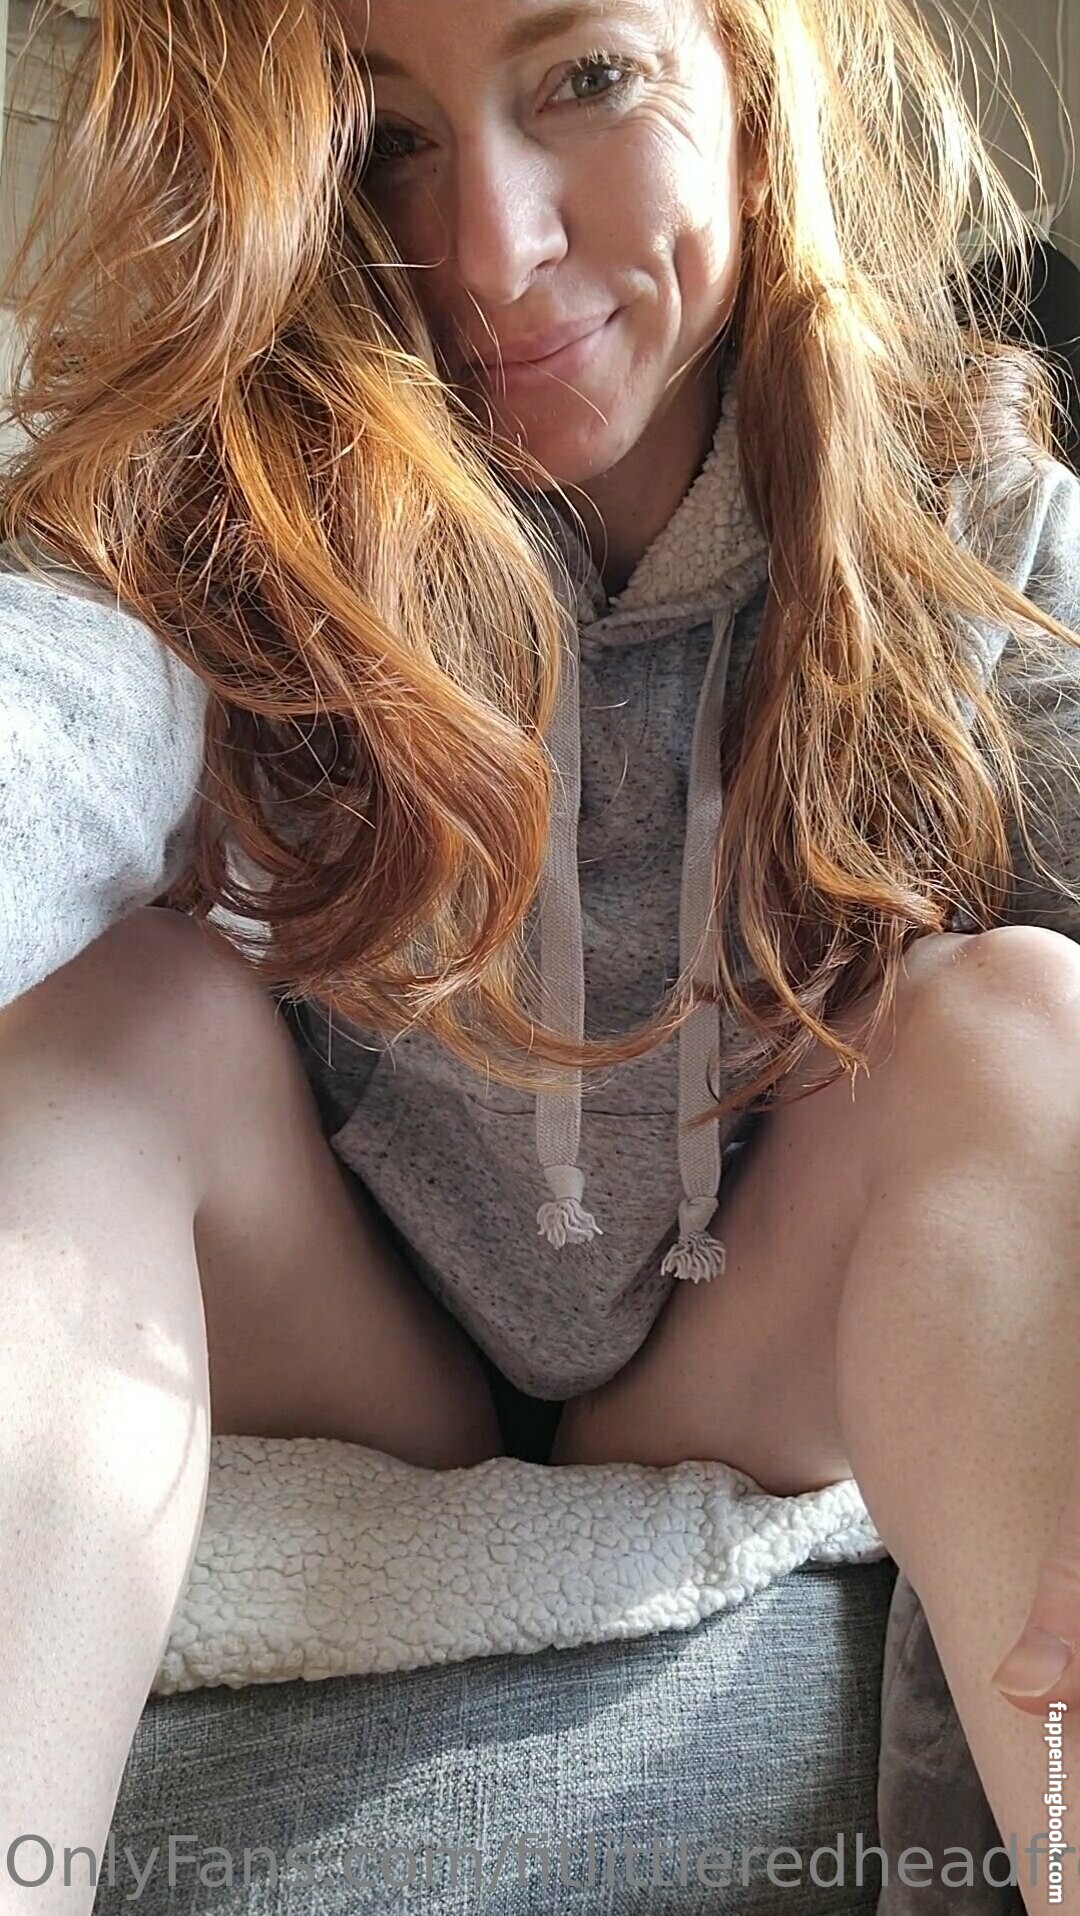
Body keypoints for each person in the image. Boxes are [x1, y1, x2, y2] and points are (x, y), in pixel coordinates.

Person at [1, 0, 1079, 1907]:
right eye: (387, 136)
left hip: (736, 1338)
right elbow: (46, 721)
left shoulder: (971, 511)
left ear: (750, 70)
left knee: (1020, 1019)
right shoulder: (217, 500)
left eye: (586, 79)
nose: (490, 252)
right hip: (351, 1335)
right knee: (110, 1026)